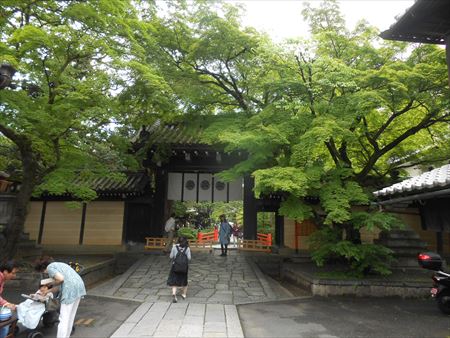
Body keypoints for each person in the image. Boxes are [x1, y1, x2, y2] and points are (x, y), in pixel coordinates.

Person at [34, 256, 86, 338]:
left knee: (63, 319)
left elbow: (60, 279)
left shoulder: (50, 267)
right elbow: (60, 285)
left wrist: (49, 284)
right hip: (79, 287)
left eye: (43, 272)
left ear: (42, 269)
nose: (45, 274)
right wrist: (47, 291)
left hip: (70, 290)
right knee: (70, 317)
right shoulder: (59, 265)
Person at [167, 236, 191, 303]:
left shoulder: (174, 247)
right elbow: (189, 258)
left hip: (175, 266)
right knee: (184, 280)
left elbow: (171, 256)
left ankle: (174, 293)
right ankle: (184, 294)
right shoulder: (187, 248)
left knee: (174, 280)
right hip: (184, 267)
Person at [0, 260, 18, 338]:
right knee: (5, 325)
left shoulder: (2, 278)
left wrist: (6, 304)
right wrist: (6, 304)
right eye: (13, 273)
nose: (15, 276)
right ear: (5, 271)